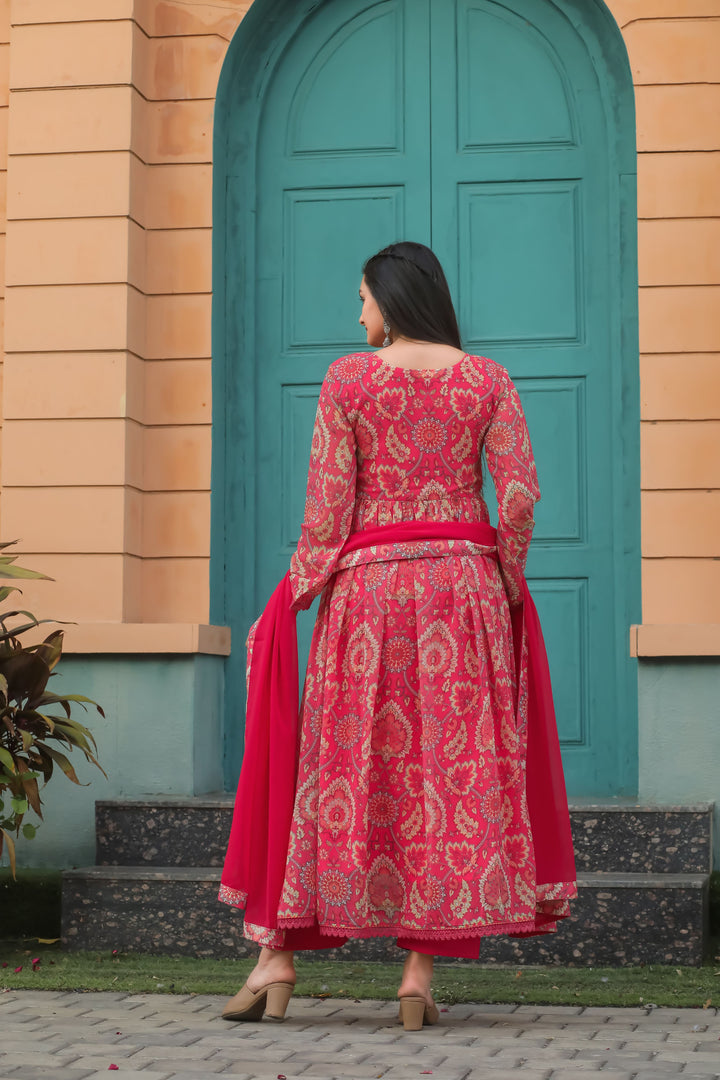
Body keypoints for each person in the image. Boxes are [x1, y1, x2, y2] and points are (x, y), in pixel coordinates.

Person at [218, 241, 577, 1030]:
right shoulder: (489, 379)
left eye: (363, 298)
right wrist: (505, 585)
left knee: (351, 769)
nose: (358, 314)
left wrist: (295, 591)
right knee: (443, 776)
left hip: (369, 596)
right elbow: (517, 496)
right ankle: (417, 974)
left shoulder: (349, 379)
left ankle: (277, 956)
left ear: (391, 298)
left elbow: (327, 507)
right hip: (462, 592)